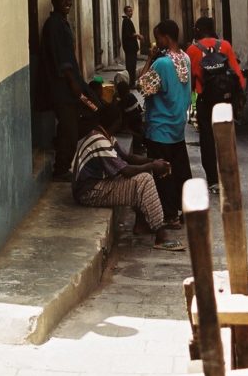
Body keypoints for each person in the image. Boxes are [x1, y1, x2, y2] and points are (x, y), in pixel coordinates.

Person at [72, 106, 184, 251]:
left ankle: (142, 224)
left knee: (144, 175)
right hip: (88, 192)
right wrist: (152, 165)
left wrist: (153, 161)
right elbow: (125, 170)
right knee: (144, 179)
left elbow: (128, 157)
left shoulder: (105, 135)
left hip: (96, 185)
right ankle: (161, 235)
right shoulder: (99, 140)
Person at [39, 0, 99, 181]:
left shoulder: (63, 23)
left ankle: (60, 142)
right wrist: (74, 84)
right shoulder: (53, 25)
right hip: (63, 87)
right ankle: (61, 168)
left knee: (93, 110)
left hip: (73, 84)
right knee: (70, 129)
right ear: (55, 2)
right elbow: (61, 59)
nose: (68, 2)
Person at [138, 19, 192, 227]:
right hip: (177, 127)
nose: (155, 42)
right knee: (180, 172)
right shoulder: (185, 58)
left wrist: (149, 59)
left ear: (165, 37)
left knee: (164, 175)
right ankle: (185, 210)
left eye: (157, 37)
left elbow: (142, 86)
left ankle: (170, 215)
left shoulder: (161, 63)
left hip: (160, 128)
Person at [186, 16, 245, 194]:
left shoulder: (192, 50)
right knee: (226, 139)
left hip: (205, 102)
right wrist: (237, 98)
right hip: (225, 101)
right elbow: (237, 75)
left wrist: (190, 103)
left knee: (207, 141)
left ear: (198, 30)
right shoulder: (225, 46)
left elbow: (190, 81)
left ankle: (213, 181)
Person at [114, 70, 146, 154]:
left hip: (131, 125)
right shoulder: (132, 96)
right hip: (137, 123)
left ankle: (137, 147)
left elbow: (118, 112)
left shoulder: (123, 101)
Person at [121, 5, 143, 87]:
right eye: (129, 11)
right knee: (131, 66)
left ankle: (131, 82)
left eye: (131, 11)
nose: (131, 13)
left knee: (132, 65)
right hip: (130, 48)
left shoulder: (127, 21)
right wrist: (137, 35)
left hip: (130, 48)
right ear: (126, 12)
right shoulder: (126, 21)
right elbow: (128, 34)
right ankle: (131, 83)